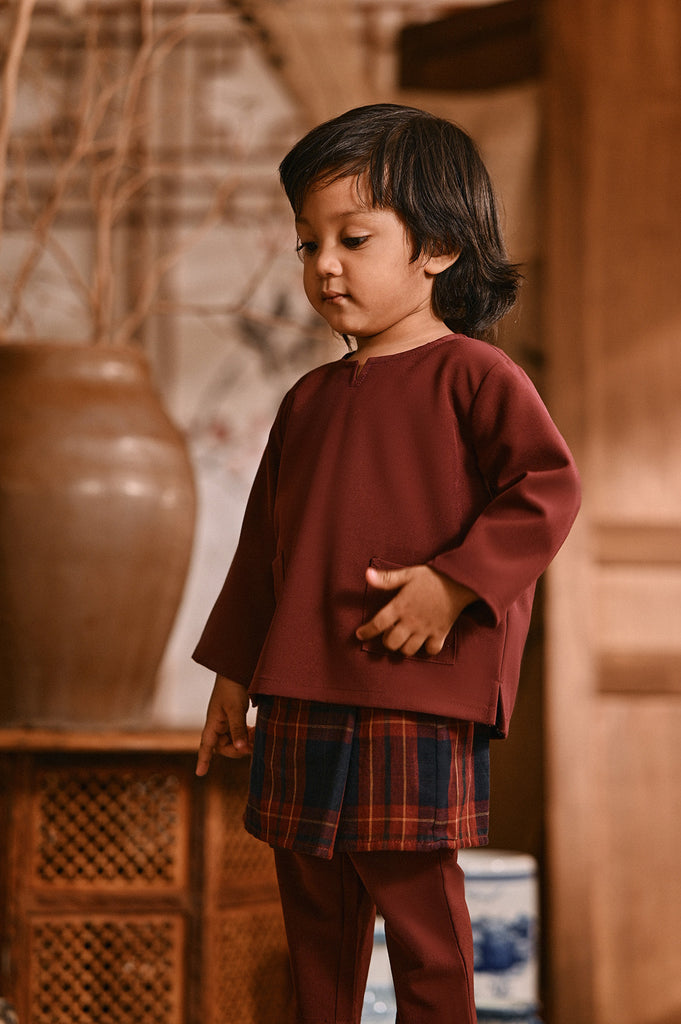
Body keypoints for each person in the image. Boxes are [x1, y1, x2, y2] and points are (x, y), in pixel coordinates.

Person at [193, 103, 581, 1024]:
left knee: (419, 917)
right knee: (313, 913)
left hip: (414, 694)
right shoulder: (306, 400)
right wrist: (232, 675)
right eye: (307, 243)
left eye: (353, 238)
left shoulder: (477, 377)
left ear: (438, 246)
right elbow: (261, 549)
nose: (323, 265)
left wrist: (454, 584)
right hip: (300, 693)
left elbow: (546, 489)